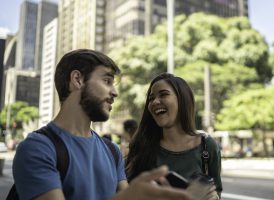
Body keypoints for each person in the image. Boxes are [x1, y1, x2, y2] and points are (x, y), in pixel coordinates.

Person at [12, 49, 193, 200]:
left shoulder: (112, 151)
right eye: (107, 81)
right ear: (78, 80)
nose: (114, 92)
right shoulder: (37, 148)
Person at [126, 73, 222, 199]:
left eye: (163, 94)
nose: (155, 101)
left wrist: (214, 197)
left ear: (182, 99)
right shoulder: (142, 146)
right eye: (151, 98)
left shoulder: (207, 146)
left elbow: (217, 191)